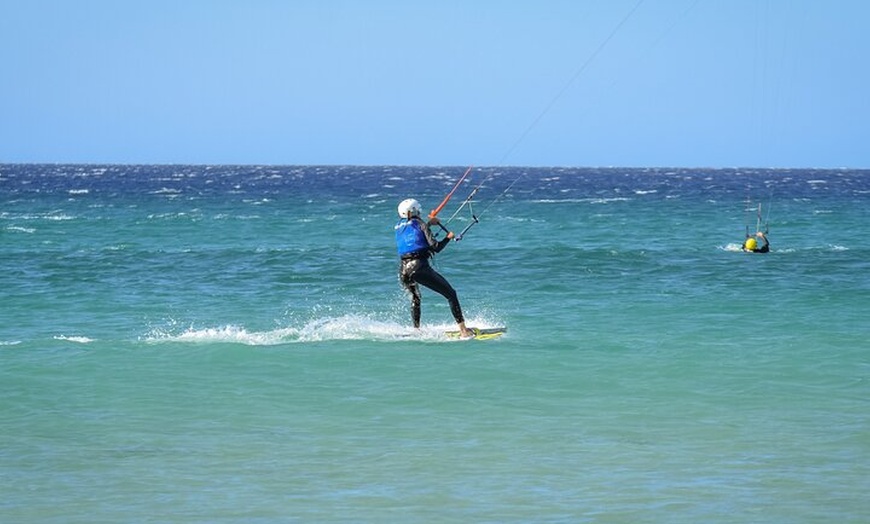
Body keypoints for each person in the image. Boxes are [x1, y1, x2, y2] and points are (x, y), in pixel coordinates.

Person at [394, 198, 473, 338]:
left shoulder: (399, 226)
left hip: (403, 270)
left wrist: (429, 224)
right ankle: (463, 331)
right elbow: (436, 247)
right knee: (451, 294)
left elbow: (415, 234)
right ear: (414, 211)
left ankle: (416, 330)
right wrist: (448, 237)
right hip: (418, 267)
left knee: (415, 298)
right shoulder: (421, 224)